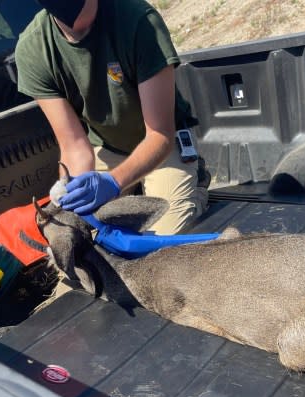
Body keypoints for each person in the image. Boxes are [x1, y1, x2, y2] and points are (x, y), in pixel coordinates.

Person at [14, 0, 208, 234]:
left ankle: (196, 187)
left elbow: (160, 134)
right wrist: (72, 195)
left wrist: (114, 183)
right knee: (89, 237)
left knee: (164, 240)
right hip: (107, 148)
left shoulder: (138, 21)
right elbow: (74, 146)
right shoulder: (33, 48)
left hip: (162, 147)